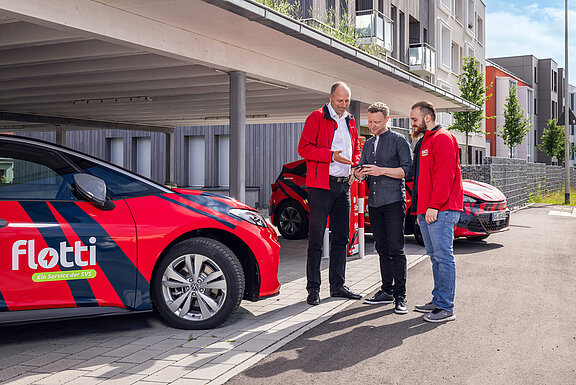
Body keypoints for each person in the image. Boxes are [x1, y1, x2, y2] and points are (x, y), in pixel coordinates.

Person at [298, 81, 362, 306]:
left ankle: (337, 286)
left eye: (347, 101)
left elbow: (356, 148)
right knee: (315, 239)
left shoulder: (350, 120)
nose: (344, 105)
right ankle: (313, 289)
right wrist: (331, 156)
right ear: (330, 97)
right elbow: (304, 148)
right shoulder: (316, 117)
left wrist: (355, 166)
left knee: (342, 238)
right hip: (320, 186)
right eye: (340, 100)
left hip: (343, 186)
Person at [354, 102, 412, 314]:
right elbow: (361, 167)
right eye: (370, 122)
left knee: (396, 249)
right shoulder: (368, 144)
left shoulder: (399, 141)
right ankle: (386, 290)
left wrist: (381, 171)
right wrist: (359, 173)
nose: (372, 125)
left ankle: (400, 296)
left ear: (387, 120)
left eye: (377, 122)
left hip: (394, 202)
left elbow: (407, 171)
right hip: (375, 203)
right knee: (381, 248)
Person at [410, 101, 463, 323]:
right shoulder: (426, 140)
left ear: (428, 118)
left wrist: (434, 205)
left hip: (440, 209)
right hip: (427, 209)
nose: (412, 123)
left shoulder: (443, 138)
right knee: (435, 257)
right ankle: (438, 299)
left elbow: (445, 174)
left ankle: (446, 307)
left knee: (443, 257)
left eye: (414, 119)